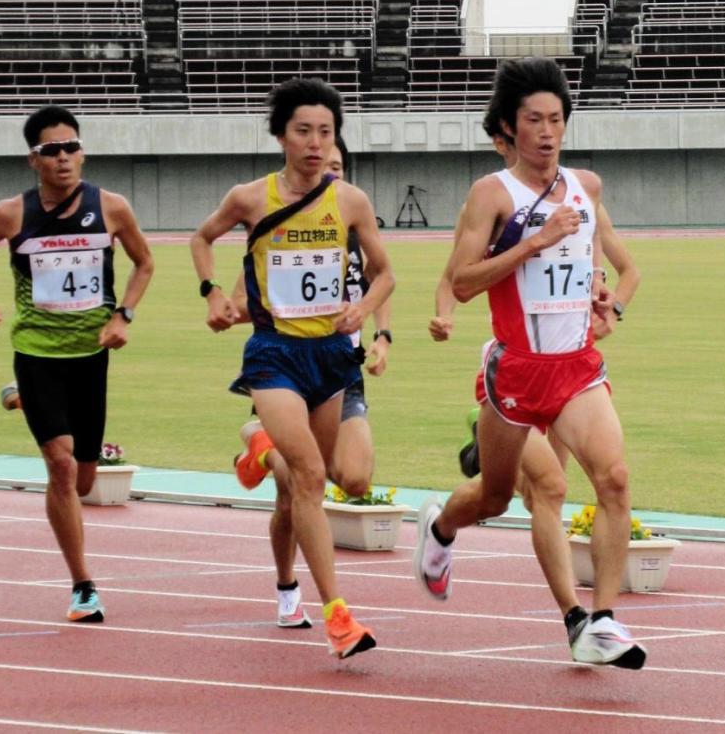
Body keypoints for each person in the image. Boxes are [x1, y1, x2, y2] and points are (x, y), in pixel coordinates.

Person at [413, 57, 646, 670]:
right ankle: (441, 529)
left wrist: (606, 304)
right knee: (493, 498)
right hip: (514, 370)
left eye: (556, 119)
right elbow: (462, 283)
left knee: (611, 480)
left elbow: (614, 268)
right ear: (510, 128)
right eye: (534, 120)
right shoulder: (492, 194)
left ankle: (597, 622)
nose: (547, 131)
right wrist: (533, 242)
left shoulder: (586, 188)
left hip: (575, 368)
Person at [190, 78, 394, 659]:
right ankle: (338, 615)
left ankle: (261, 447)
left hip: (329, 358)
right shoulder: (250, 198)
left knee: (309, 482)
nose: (314, 142)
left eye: (325, 132)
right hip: (274, 354)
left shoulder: (350, 201)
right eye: (303, 131)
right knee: (308, 477)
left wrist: (365, 307)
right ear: (281, 135)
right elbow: (202, 239)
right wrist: (211, 293)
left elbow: (385, 273)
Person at [0, 104, 154, 622]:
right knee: (61, 468)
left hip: (91, 356)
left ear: (82, 152)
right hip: (37, 352)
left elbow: (144, 262)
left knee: (86, 480)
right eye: (51, 150)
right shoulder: (9, 215)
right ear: (33, 160)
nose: (64, 158)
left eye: (72, 147)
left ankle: (22, 400)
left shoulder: (111, 207)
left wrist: (123, 316)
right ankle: (83, 584)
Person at [228, 137, 393, 630]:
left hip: (342, 370)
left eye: (340, 170)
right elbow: (240, 302)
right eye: (327, 169)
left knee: (355, 479)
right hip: (286, 369)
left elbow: (380, 282)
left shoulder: (353, 228)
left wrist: (380, 336)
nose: (331, 178)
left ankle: (263, 448)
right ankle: (287, 587)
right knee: (300, 488)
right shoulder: (284, 232)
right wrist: (253, 309)